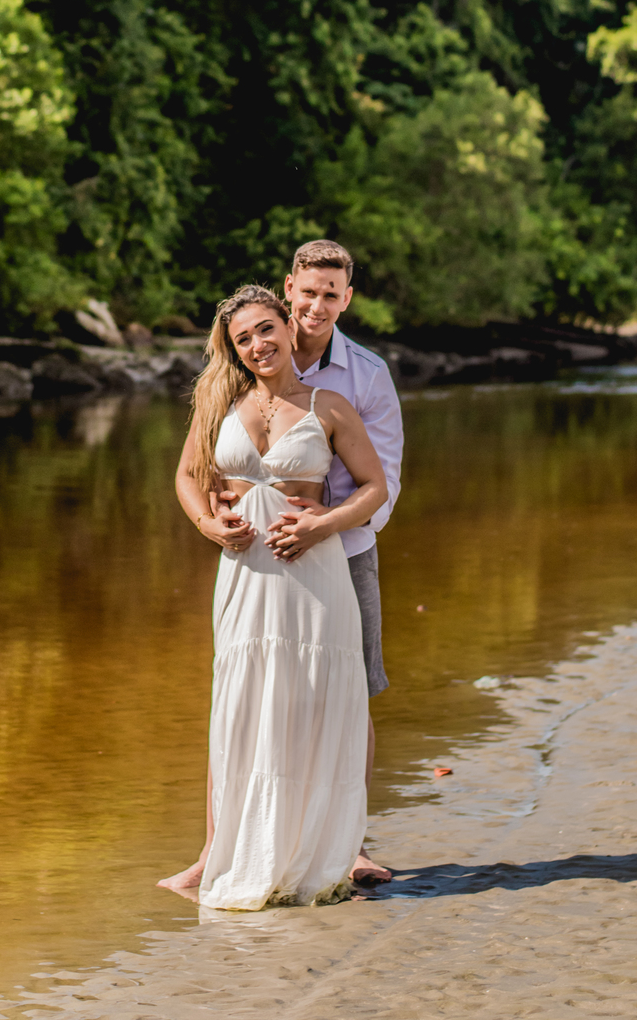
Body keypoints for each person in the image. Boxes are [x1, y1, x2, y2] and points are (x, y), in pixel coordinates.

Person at [160, 285, 388, 909]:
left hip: (313, 573)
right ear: (232, 350)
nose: (258, 345)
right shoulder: (219, 401)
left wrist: (323, 523)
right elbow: (187, 477)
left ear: (289, 327)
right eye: (243, 339)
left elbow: (374, 487)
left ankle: (319, 854)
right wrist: (207, 525)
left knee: (312, 704)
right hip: (244, 575)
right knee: (244, 702)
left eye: (266, 330)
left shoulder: (329, 405)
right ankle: (237, 851)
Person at [273, 238, 404, 884]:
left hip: (348, 554)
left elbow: (384, 487)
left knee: (352, 697)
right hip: (266, 557)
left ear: (347, 299)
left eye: (332, 294)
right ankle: (273, 837)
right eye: (309, 291)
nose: (318, 305)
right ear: (288, 288)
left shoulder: (369, 376)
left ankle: (351, 843)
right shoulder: (255, 357)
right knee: (269, 691)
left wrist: (322, 526)